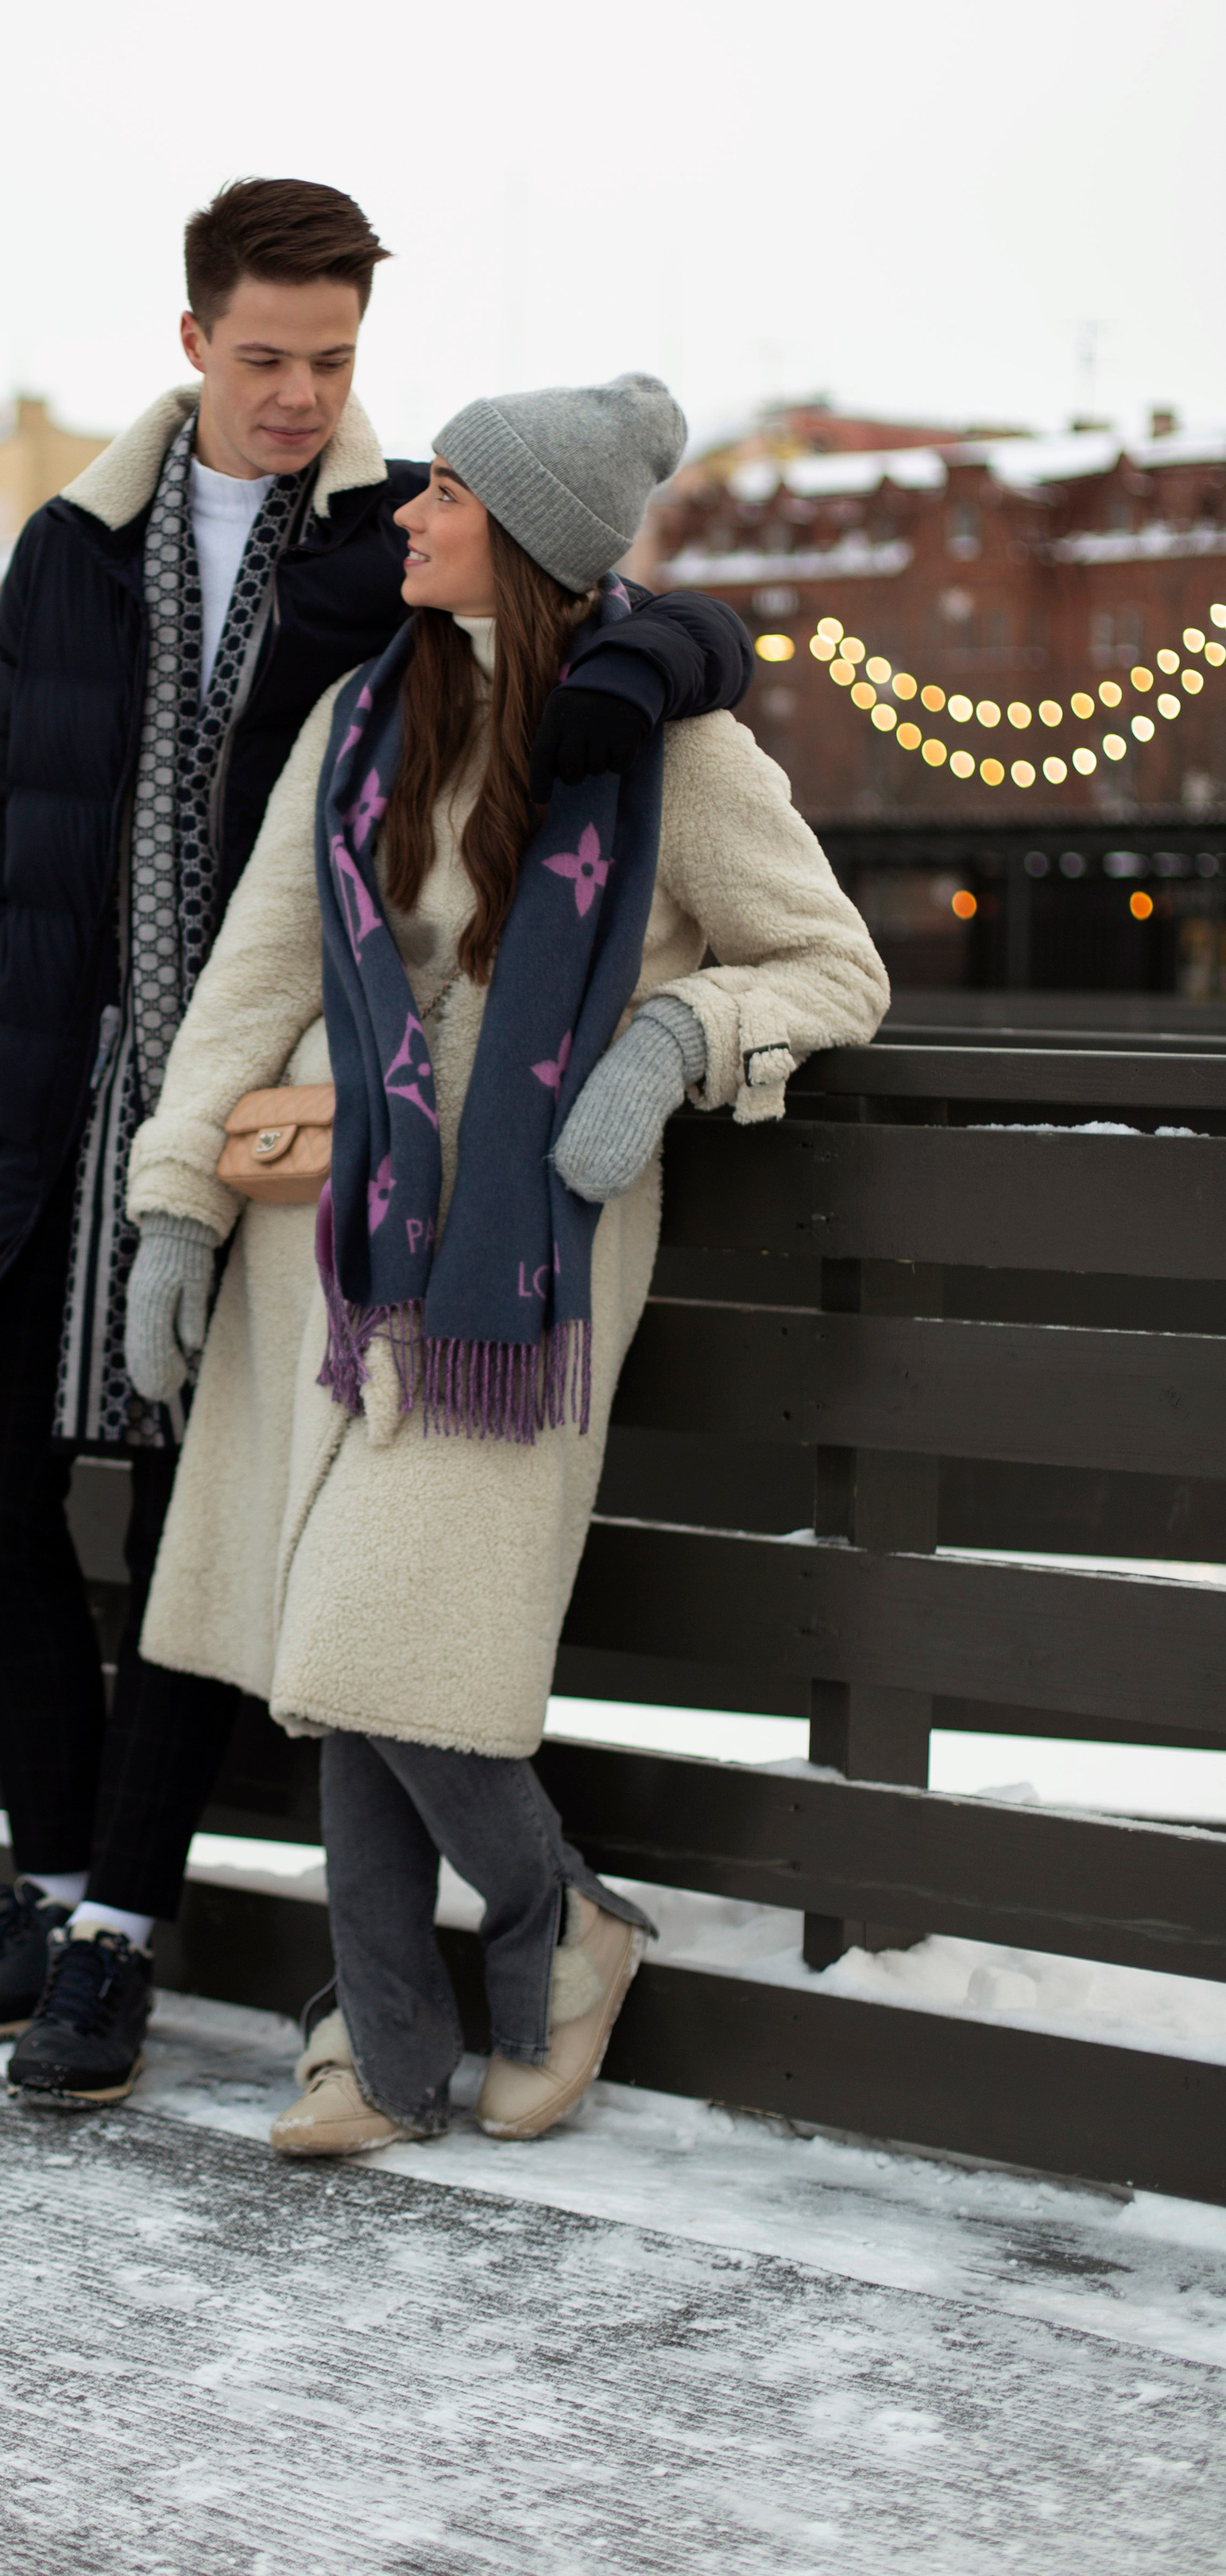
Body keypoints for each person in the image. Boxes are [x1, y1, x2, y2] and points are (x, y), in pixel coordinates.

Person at [0, 187, 756, 2109]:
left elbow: (623, 609)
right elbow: (4, 781)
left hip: (300, 1111)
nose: (298, 393)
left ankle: (117, 1932)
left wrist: (644, 680)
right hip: (72, 1081)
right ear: (191, 337)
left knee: (200, 1525)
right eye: (264, 356)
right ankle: (43, 1886)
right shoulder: (70, 545)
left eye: (333, 361)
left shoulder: (396, 535)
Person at [121, 373, 888, 2153]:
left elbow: (831, 966)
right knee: (336, 1655)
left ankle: (562, 1928)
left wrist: (672, 1042)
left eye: (444, 489)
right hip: (327, 1258)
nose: (405, 510)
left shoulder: (676, 757)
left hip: (511, 1287)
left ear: (524, 536)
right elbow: (253, 975)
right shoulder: (356, 720)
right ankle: (380, 2049)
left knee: (383, 1644)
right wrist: (176, 1194)